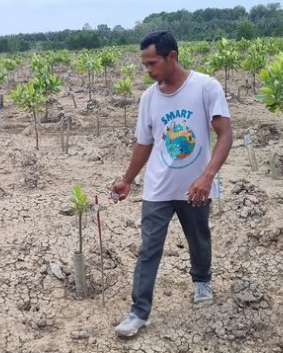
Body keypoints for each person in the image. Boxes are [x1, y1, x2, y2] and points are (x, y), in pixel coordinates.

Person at [111, 31, 233, 337]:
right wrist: (128, 180)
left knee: (199, 239)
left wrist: (207, 176)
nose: (148, 70)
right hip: (158, 188)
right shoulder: (148, 98)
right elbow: (144, 143)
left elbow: (225, 134)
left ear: (172, 57)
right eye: (144, 64)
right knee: (148, 249)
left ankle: (201, 281)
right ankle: (139, 312)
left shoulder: (206, 87)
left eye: (152, 63)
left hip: (196, 186)